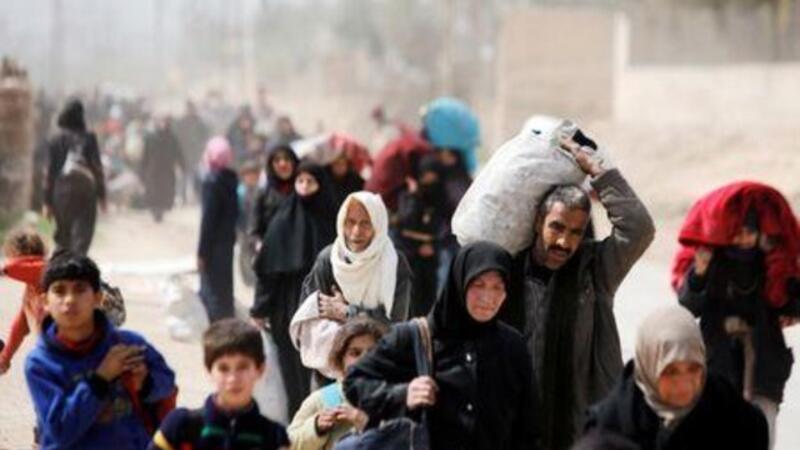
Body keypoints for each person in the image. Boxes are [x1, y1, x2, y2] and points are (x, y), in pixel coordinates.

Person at [500, 135, 655, 450]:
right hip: (514, 427)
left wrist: (599, 172)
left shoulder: (595, 271)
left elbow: (639, 229)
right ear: (538, 223)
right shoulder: (505, 274)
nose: (564, 242)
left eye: (575, 232)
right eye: (556, 227)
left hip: (577, 430)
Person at [345, 241, 539, 450]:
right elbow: (355, 381)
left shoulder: (512, 346)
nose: (488, 297)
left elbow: (527, 425)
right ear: (460, 283)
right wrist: (402, 395)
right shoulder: (415, 337)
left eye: (497, 287)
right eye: (478, 285)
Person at [674, 188, 800, 449]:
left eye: (749, 232)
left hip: (764, 370)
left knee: (761, 436)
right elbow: (688, 306)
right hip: (718, 368)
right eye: (737, 232)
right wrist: (700, 271)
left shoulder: (773, 264)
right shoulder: (713, 262)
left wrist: (786, 271)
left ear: (759, 233)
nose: (743, 239)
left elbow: (792, 306)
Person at [25, 252, 176, 450]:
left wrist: (145, 382)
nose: (69, 300)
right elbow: (61, 430)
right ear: (45, 301)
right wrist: (100, 380)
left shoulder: (128, 344)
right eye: (60, 291)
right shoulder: (40, 363)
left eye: (80, 290)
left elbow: (168, 385)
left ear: (98, 298)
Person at [584, 305, 768, 450]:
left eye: (694, 368)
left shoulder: (732, 415)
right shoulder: (609, 432)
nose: (684, 384)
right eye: (670, 372)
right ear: (649, 367)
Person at [251, 162, 337, 417]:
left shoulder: (332, 220)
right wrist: (260, 308)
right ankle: (297, 423)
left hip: (324, 309)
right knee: (292, 372)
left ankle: (325, 421)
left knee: (325, 369)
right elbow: (268, 270)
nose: (305, 187)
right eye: (301, 181)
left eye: (311, 182)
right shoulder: (282, 221)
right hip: (287, 308)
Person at [150, 319, 290, 450]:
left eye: (242, 367)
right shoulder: (181, 427)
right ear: (209, 370)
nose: (233, 378)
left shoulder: (275, 437)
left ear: (260, 369)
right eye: (223, 368)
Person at [300, 191, 412, 324]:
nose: (357, 231)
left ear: (378, 226)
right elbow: (308, 315)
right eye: (350, 222)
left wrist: (348, 312)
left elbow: (397, 323)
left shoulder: (394, 262)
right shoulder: (329, 259)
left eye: (366, 223)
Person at [288, 318, 387, 450]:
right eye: (355, 353)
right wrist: (316, 427)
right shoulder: (322, 399)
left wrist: (367, 424)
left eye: (372, 352)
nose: (364, 359)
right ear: (341, 359)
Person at [43, 99, 107, 255]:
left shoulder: (55, 139)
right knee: (83, 234)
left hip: (61, 191)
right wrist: (102, 196)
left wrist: (47, 202)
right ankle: (78, 264)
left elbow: (49, 173)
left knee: (63, 235)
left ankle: (62, 265)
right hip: (86, 189)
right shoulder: (89, 137)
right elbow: (97, 168)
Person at [395, 154, 447, 317]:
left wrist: (433, 246)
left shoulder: (440, 197)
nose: (429, 181)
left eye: (433, 177)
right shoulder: (407, 196)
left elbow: (443, 227)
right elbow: (405, 222)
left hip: (431, 255)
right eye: (426, 177)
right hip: (411, 254)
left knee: (429, 297)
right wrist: (414, 196)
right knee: (411, 298)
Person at [197, 137, 239, 323]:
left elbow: (208, 221)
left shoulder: (211, 181)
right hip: (227, 243)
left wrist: (202, 253)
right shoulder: (231, 179)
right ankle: (227, 325)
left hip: (213, 246)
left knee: (212, 289)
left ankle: (216, 327)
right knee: (224, 288)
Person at [0, 228, 48, 375]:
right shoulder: (31, 291)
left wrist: (4, 269)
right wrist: (5, 357)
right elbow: (20, 327)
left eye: (11, 257)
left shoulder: (46, 272)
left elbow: (33, 266)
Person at [249, 143, 300, 250]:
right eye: (277, 160)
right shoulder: (263, 194)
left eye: (287, 159)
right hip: (272, 252)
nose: (282, 164)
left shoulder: (302, 190)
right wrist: (259, 245)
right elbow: (254, 230)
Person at [140, 115, 186, 222]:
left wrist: (182, 166)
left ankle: (160, 211)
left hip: (166, 170)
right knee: (154, 192)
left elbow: (178, 153)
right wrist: (142, 170)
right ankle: (156, 211)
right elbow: (145, 155)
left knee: (164, 192)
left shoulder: (172, 138)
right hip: (154, 170)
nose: (163, 125)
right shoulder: (150, 138)